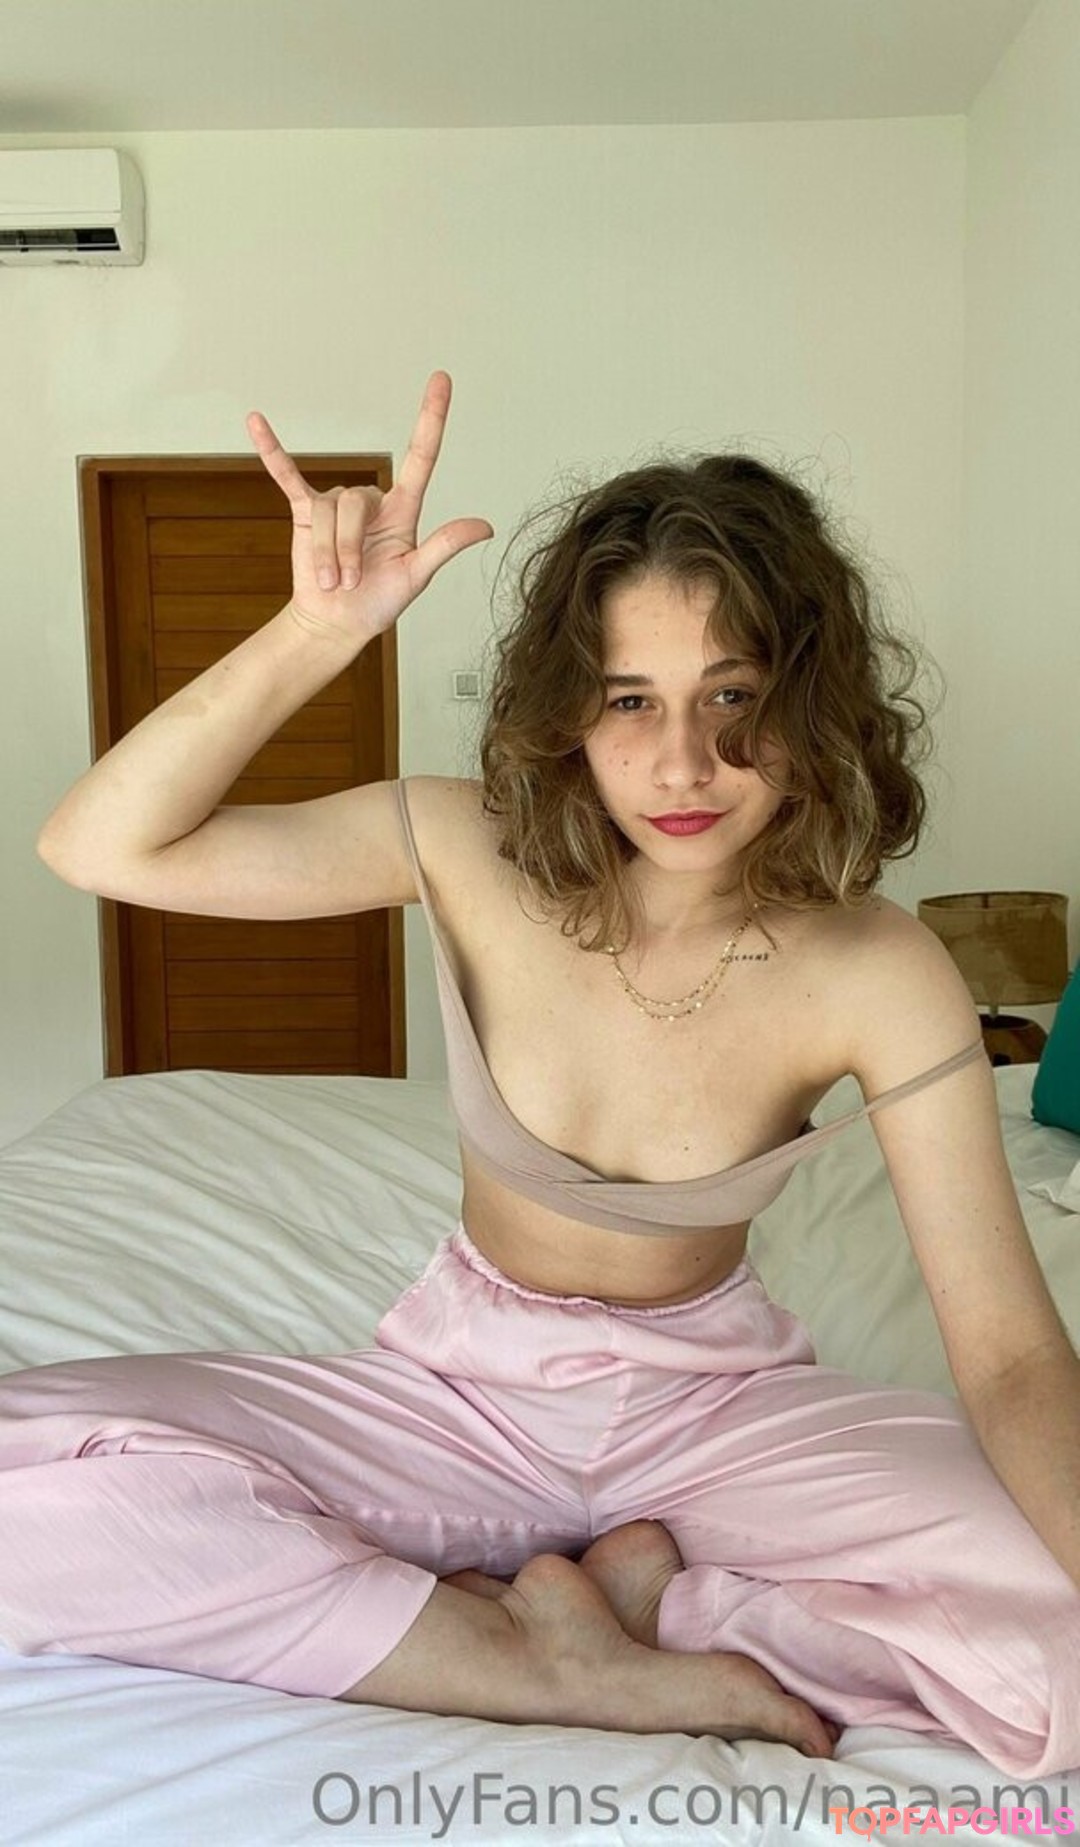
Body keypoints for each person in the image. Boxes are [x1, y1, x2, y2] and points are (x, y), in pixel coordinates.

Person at [5, 371, 1080, 1774]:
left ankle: (661, 1610)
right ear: (571, 709)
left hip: (715, 1417)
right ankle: (531, 1660)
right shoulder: (467, 848)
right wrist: (318, 631)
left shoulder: (878, 967)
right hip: (458, 1396)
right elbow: (100, 846)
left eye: (734, 695)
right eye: (630, 699)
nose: (682, 762)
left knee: (1055, 1634)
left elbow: (1009, 1355)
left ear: (809, 705)